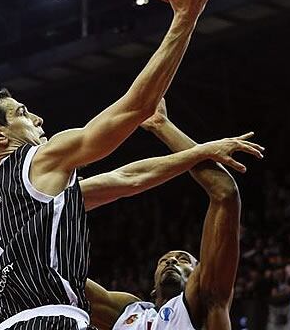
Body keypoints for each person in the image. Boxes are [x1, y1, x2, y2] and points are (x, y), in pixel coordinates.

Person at [0, 0, 221, 330]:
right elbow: (134, 109)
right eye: (21, 113)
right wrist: (185, 17)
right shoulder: (38, 159)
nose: (37, 119)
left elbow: (127, 179)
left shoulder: (11, 197)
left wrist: (199, 151)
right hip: (51, 321)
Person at [85, 99, 260, 330]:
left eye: (184, 259)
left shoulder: (207, 299)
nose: (171, 260)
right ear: (153, 289)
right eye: (164, 260)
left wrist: (162, 126)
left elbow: (225, 192)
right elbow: (58, 278)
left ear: (199, 273)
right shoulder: (128, 313)